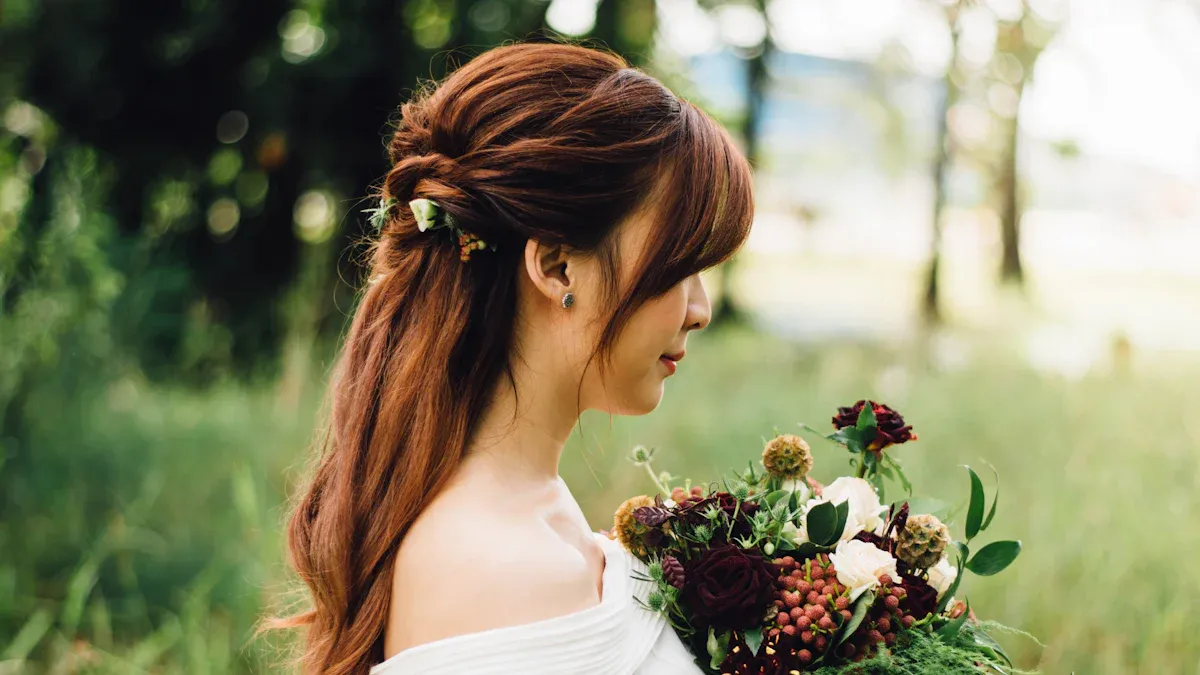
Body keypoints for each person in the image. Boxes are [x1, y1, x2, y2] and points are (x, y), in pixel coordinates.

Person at [265, 40, 755, 674]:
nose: (699, 308)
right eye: (679, 265)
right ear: (556, 266)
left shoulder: (535, 512)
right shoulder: (501, 570)